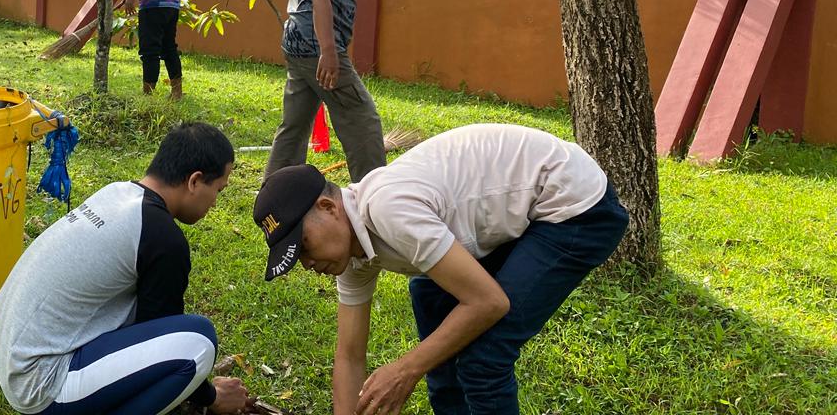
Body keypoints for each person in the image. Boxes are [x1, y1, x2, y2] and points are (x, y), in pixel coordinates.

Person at [253, 124, 629, 415]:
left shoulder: (388, 208)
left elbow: (489, 303)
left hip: (573, 205)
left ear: (329, 207)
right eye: (297, 258)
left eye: (304, 245)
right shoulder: (351, 252)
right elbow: (349, 357)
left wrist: (405, 369)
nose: (308, 263)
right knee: (432, 304)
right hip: (514, 212)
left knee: (483, 357)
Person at [0, 122, 253, 415]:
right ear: (194, 181)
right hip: (41, 383)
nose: (214, 203)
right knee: (198, 340)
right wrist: (212, 396)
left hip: (11, 354)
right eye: (218, 190)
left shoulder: (115, 193)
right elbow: (163, 342)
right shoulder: (163, 237)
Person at [264, 0, 387, 183]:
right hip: (316, 47)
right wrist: (329, 52)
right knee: (362, 121)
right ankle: (375, 196)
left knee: (295, 126)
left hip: (298, 43)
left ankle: (275, 193)